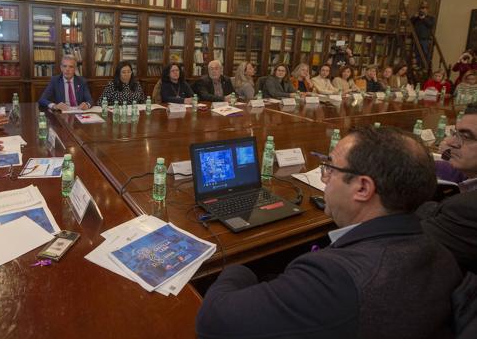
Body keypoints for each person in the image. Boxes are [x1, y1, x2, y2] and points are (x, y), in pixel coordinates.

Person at [196, 126, 463, 338]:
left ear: (362, 188)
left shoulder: (333, 279)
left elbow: (213, 320)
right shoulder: (442, 254)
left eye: (330, 168)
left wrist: (237, 269)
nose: (324, 178)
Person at [417, 103, 477, 274]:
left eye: (466, 137)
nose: (451, 142)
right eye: (455, 133)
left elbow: (405, 241)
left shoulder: (468, 209)